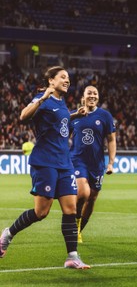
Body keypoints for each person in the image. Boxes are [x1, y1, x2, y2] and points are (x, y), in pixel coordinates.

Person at [0, 66, 90, 269]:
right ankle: (8, 233)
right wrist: (42, 97)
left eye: (68, 78)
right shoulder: (43, 98)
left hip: (64, 163)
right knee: (41, 212)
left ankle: (72, 257)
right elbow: (23, 116)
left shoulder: (61, 102)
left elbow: (60, 125)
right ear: (51, 80)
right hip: (45, 162)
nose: (67, 80)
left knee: (70, 209)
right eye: (63, 77)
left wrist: (75, 115)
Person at [69, 85, 116, 243]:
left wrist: (110, 163)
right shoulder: (74, 116)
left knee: (92, 198)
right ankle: (73, 224)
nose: (93, 96)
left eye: (95, 93)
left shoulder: (105, 116)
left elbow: (111, 139)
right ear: (83, 97)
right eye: (89, 93)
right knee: (83, 193)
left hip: (96, 164)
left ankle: (79, 230)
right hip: (77, 160)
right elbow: (62, 134)